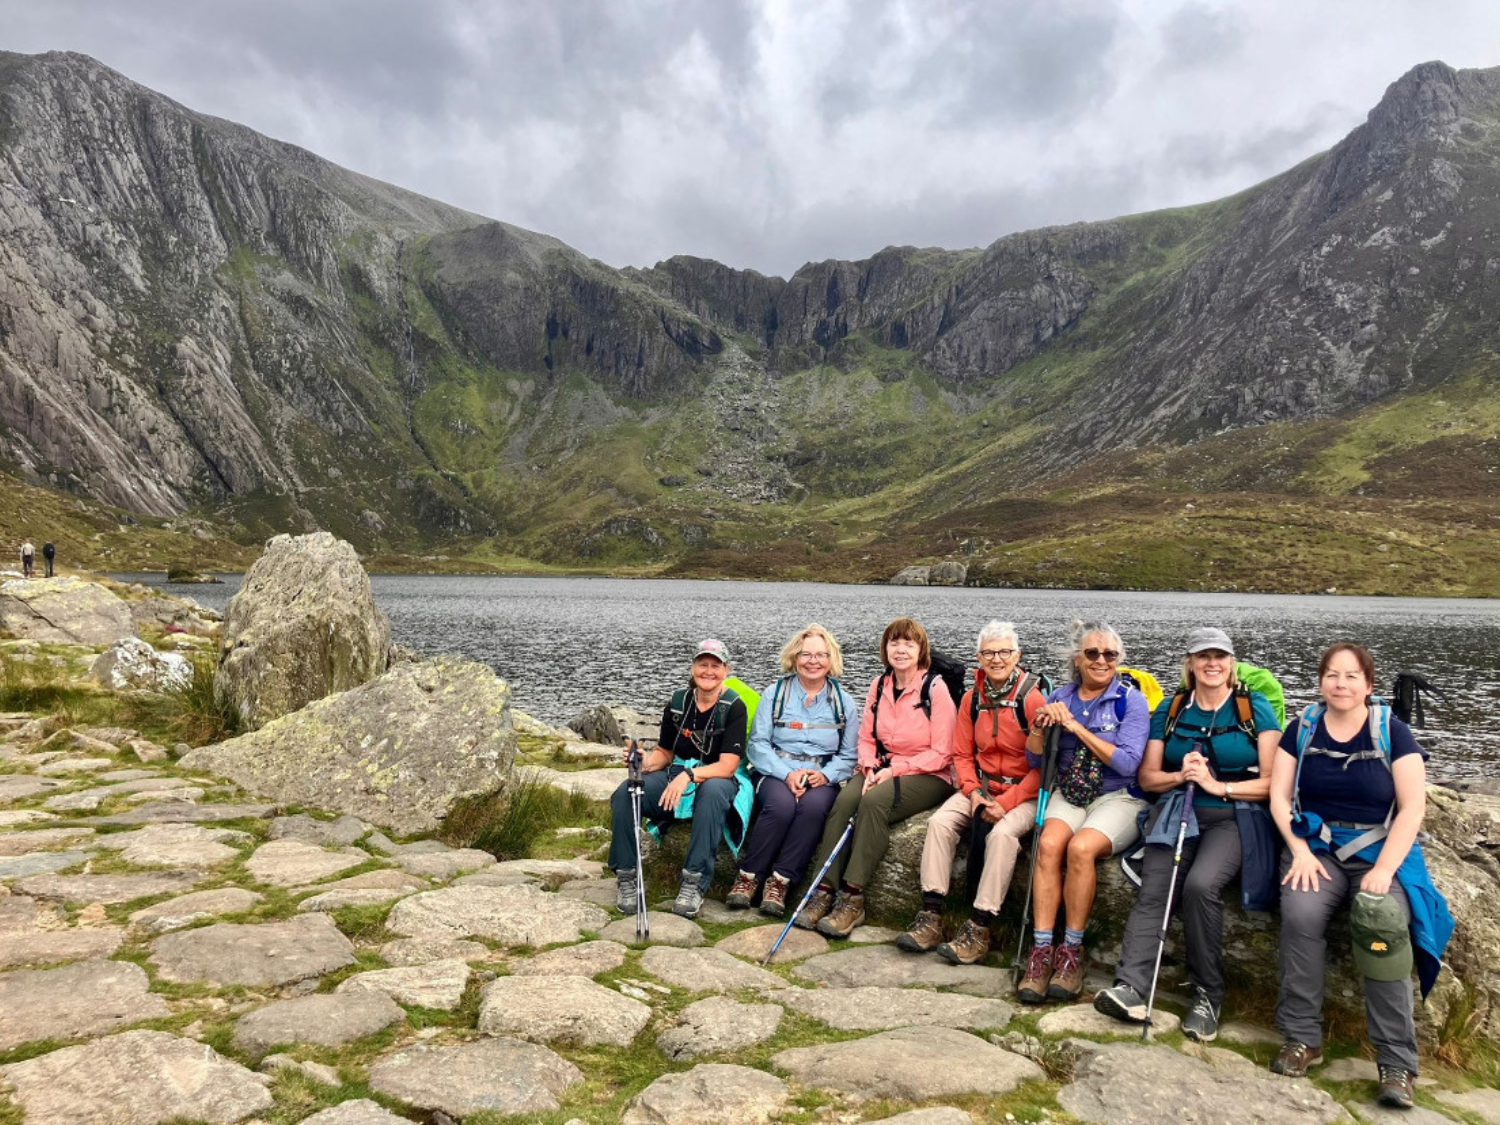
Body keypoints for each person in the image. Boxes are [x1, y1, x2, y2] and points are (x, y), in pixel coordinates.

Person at [1267, 643, 1453, 1110]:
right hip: (1316, 849)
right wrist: (1299, 851)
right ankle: (1302, 1038)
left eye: (1352, 676)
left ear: (1368, 685)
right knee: (1300, 915)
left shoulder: (1393, 731)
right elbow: (1279, 798)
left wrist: (1385, 868)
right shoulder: (1302, 728)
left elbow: (1412, 808)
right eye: (1332, 675)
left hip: (1378, 850)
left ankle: (1396, 1062)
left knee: (1382, 927)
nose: (1341, 684)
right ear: (1321, 681)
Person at [1094, 627, 1280, 1041]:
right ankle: (1131, 987)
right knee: (1155, 890)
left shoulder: (1254, 708)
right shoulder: (1173, 708)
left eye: (1220, 656)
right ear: (1190, 663)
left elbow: (1273, 783)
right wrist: (1180, 776)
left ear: (1231, 663)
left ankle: (1207, 995)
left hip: (1233, 817)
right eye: (1203, 656)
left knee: (1200, 886)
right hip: (1177, 811)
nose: (1212, 663)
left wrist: (1218, 786)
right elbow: (1148, 777)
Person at [794, 617, 957, 938]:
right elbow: (866, 738)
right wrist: (868, 766)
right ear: (885, 649)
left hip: (929, 773)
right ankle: (824, 890)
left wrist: (894, 771)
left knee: (873, 802)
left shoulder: (935, 689)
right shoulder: (879, 685)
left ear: (921, 650)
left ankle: (853, 898)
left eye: (908, 643)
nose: (901, 650)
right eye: (894, 643)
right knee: (845, 800)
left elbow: (943, 752)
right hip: (881, 766)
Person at [897, 620, 1046, 964]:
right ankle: (931, 915)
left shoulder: (1032, 698)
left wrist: (1006, 802)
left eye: (1004, 652)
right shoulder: (972, 698)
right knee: (940, 824)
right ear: (978, 657)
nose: (997, 659)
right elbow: (962, 754)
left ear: (1017, 655)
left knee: (1003, 836)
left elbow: (1042, 767)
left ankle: (980, 926)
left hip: (1022, 793)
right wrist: (973, 791)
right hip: (981, 786)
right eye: (989, 653)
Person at [1016, 620, 1150, 1004]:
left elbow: (1127, 762)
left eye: (1110, 654)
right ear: (1077, 658)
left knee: (1080, 849)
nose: (1101, 660)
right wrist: (1040, 725)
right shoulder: (1060, 696)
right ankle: (1042, 950)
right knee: (1048, 845)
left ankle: (1071, 952)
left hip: (1119, 796)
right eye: (1092, 653)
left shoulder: (1131, 701)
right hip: (1071, 791)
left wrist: (1075, 727)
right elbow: (1034, 758)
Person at [608, 639, 753, 919]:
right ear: (692, 667)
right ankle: (627, 876)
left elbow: (728, 766)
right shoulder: (678, 703)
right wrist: (643, 763)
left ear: (726, 670)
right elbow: (665, 752)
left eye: (715, 666)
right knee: (627, 793)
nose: (708, 671)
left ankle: (693, 883)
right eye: (702, 664)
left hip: (717, 777)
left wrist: (689, 775)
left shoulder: (734, 706)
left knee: (711, 793)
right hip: (677, 774)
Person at [729, 624, 860, 917]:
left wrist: (825, 776)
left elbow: (849, 755)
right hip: (775, 771)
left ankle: (780, 882)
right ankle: (748, 877)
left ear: (831, 659)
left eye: (821, 655)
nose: (813, 661)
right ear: (794, 658)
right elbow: (758, 745)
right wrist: (786, 774)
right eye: (806, 655)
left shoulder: (844, 703)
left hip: (821, 775)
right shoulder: (774, 694)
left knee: (813, 809)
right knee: (781, 805)